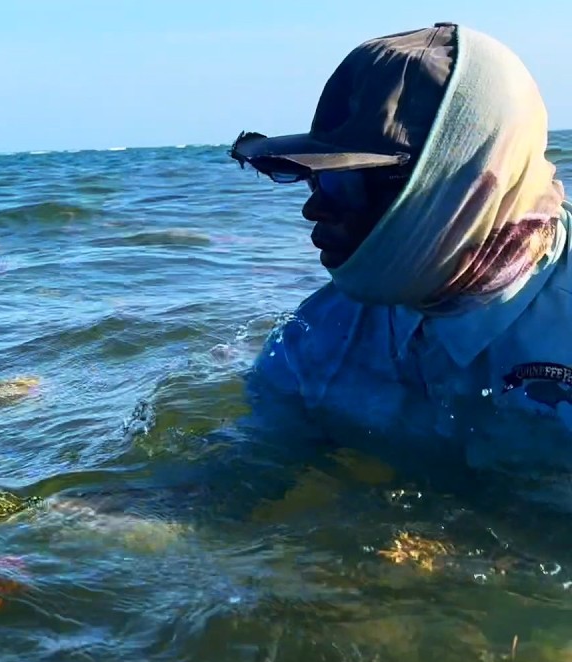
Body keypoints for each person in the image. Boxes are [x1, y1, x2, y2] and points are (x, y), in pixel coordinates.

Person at [229, 22, 572, 476]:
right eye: (313, 178)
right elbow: (246, 473)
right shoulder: (311, 340)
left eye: (342, 182)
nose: (314, 208)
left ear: (462, 184)